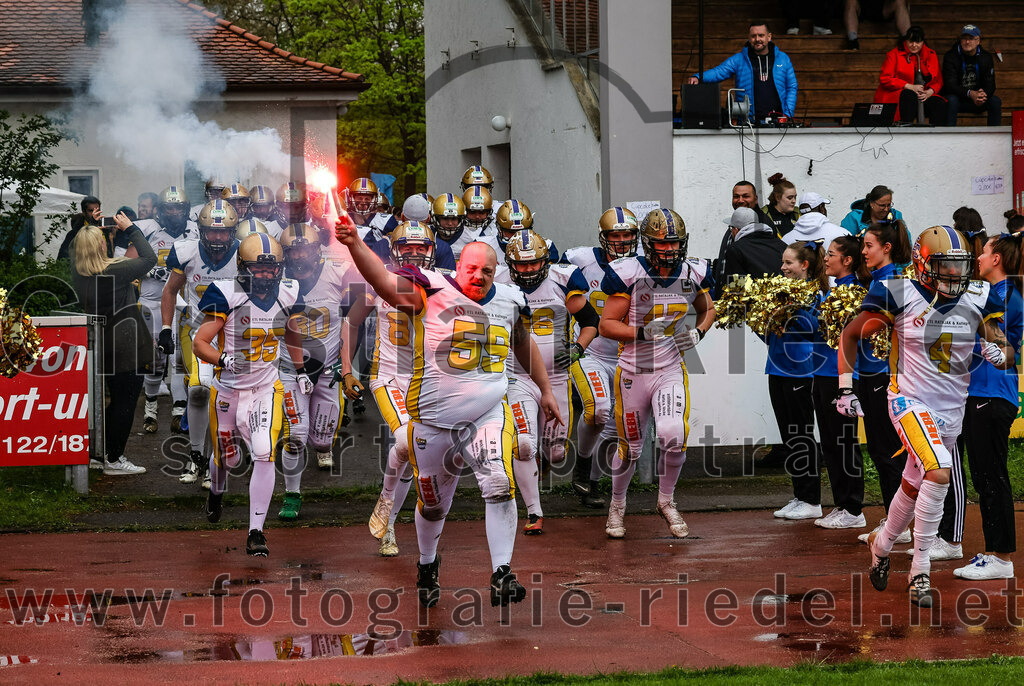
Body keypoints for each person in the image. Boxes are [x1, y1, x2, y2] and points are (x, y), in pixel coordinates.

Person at [336, 215, 562, 609]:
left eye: (487, 271)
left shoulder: (509, 301)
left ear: (497, 273)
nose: (480, 276)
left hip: (488, 412)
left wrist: (545, 389)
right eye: (472, 268)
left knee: (497, 482)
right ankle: (427, 562)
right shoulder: (430, 289)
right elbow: (382, 283)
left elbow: (523, 345)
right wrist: (356, 243)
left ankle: (502, 572)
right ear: (457, 267)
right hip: (433, 421)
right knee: (435, 503)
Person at [838, 225, 1014, 607]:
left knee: (915, 482)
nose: (954, 274)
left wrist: (999, 351)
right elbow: (851, 334)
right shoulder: (898, 292)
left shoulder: (979, 295)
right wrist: (845, 386)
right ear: (923, 265)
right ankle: (920, 569)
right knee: (938, 472)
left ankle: (881, 543)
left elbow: (1004, 344)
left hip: (952, 408)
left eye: (959, 265)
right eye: (945, 266)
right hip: (908, 400)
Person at [600, 209, 715, 539]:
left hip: (669, 368)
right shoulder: (628, 272)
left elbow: (709, 308)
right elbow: (606, 325)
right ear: (648, 244)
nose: (670, 250)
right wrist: (639, 333)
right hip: (633, 372)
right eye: (662, 244)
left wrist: (699, 332)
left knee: (672, 434)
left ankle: (666, 501)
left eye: (675, 243)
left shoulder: (693, 269)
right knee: (631, 448)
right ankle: (617, 505)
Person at [194, 233, 306, 558]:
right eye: (258, 268)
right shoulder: (226, 293)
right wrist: (223, 359)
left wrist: (300, 371)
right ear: (243, 267)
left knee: (263, 451)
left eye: (271, 270)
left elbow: (293, 333)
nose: (265, 275)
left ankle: (255, 531)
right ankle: (216, 491)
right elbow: (201, 342)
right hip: (229, 389)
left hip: (265, 387)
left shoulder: (289, 292)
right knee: (225, 458)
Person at [504, 229, 599, 535]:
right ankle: (534, 511)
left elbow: (591, 322)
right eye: (522, 265)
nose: (529, 270)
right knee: (524, 443)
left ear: (545, 261)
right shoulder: (500, 284)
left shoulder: (562, 280)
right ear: (510, 263)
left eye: (534, 264)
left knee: (556, 453)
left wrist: (578, 348)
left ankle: (536, 467)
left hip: (556, 377)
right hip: (517, 376)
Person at [359, 222, 443, 557]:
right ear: (395, 249)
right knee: (405, 441)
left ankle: (389, 520)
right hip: (389, 374)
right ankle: (388, 505)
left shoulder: (442, 281)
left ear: (431, 249)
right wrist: (348, 368)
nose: (415, 253)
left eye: (422, 247)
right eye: (408, 247)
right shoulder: (382, 279)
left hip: (426, 378)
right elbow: (352, 320)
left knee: (418, 452)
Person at [276, 222, 366, 521]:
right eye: (294, 250)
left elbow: (365, 294)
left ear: (317, 250)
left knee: (323, 440)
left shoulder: (337, 273)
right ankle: (292, 494)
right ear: (284, 254)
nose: (300, 256)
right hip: (290, 369)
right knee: (296, 436)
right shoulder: (275, 278)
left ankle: (322, 445)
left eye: (305, 249)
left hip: (328, 370)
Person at [952, 232, 1022, 580]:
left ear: (997, 259)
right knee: (985, 475)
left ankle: (1002, 558)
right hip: (983, 394)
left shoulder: (1003, 294)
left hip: (992, 396)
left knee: (991, 476)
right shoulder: (993, 293)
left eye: (984, 252)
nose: (977, 257)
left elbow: (1003, 344)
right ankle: (996, 554)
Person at [561, 207, 640, 509]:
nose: (621, 241)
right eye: (615, 235)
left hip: (625, 354)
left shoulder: (641, 265)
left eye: (627, 235)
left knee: (611, 426)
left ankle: (590, 482)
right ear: (603, 238)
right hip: (590, 351)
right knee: (597, 410)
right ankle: (582, 464)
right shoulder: (580, 260)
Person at [160, 200, 241, 488]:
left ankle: (218, 461)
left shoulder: (244, 253)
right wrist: (167, 328)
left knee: (229, 402)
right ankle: (196, 454)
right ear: (200, 230)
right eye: (211, 232)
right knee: (197, 391)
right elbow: (170, 290)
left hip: (236, 336)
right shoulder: (186, 252)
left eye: (223, 233)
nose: (218, 238)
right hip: (200, 332)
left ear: (233, 232)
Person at [71, 212, 155, 475]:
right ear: (101, 246)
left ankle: (99, 453)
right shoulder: (115, 270)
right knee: (125, 402)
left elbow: (79, 242)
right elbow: (149, 258)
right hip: (125, 346)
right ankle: (114, 459)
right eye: (103, 238)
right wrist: (131, 229)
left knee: (114, 401)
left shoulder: (79, 273)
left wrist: (90, 224)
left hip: (101, 344)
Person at [855, 221, 913, 544]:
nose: (863, 251)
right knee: (882, 449)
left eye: (869, 246)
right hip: (872, 373)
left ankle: (899, 523)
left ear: (886, 248)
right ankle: (897, 519)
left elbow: (867, 331)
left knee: (887, 449)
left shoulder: (889, 283)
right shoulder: (882, 281)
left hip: (880, 375)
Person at [766, 242, 823, 521]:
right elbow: (771, 331)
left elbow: (813, 329)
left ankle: (812, 499)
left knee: (801, 434)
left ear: (805, 265)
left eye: (789, 263)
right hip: (776, 368)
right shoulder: (780, 290)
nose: (783, 267)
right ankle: (801, 494)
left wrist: (790, 308)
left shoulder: (816, 293)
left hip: (801, 371)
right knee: (789, 436)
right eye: (783, 262)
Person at [815, 237, 868, 528]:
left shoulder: (855, 293)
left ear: (847, 260)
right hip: (822, 374)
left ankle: (854, 507)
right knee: (832, 444)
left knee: (845, 442)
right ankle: (842, 504)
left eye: (831, 254)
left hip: (844, 378)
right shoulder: (830, 291)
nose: (826, 259)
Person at [134, 186, 195, 434]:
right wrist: (147, 269)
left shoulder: (196, 233)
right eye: (169, 207)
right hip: (152, 303)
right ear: (160, 210)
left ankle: (179, 411)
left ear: (186, 209)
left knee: (180, 360)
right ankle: (150, 409)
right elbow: (129, 262)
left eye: (178, 207)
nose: (174, 212)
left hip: (183, 303)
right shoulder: (148, 230)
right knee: (155, 360)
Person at [687, 22, 798, 122]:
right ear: (749, 38)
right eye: (753, 36)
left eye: (761, 35)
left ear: (769, 37)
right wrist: (698, 77)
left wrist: (787, 115)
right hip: (748, 122)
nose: (757, 39)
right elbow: (719, 72)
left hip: (777, 122)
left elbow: (792, 87)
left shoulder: (783, 58)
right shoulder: (739, 59)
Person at [874, 26, 946, 126]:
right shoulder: (893, 54)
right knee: (909, 95)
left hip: (923, 96)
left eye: (918, 42)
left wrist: (930, 92)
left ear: (922, 42)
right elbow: (885, 79)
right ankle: (906, 133)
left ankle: (936, 137)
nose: (914, 45)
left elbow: (938, 81)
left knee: (939, 103)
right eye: (911, 41)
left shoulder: (931, 54)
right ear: (905, 40)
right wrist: (909, 86)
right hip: (900, 97)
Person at [942, 25, 1001, 127]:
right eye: (964, 38)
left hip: (978, 100)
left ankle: (994, 138)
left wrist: (982, 95)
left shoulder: (986, 57)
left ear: (978, 41)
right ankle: (949, 137)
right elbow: (950, 85)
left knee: (995, 101)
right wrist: (970, 93)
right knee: (951, 100)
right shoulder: (951, 56)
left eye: (971, 38)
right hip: (959, 99)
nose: (967, 42)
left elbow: (991, 84)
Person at [714, 181, 764, 296]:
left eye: (746, 196)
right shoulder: (734, 222)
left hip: (745, 301)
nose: (740, 200)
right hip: (728, 297)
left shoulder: (763, 226)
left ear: (756, 199)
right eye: (736, 196)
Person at [722, 206, 787, 281]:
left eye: (731, 228)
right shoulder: (782, 245)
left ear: (736, 230)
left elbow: (734, 287)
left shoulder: (735, 250)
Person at [844, 0, 910, 51]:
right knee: (850, 1)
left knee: (900, 1)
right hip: (862, 8)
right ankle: (852, 41)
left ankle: (908, 39)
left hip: (883, 8)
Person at [840, 185, 904, 236]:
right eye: (882, 205)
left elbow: (906, 242)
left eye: (889, 205)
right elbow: (845, 244)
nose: (886, 209)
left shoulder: (896, 216)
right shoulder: (854, 218)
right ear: (871, 203)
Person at [58, 196, 103, 261]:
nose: (95, 213)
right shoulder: (74, 233)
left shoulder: (105, 229)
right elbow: (63, 258)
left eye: (97, 210)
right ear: (84, 212)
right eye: (91, 211)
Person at [761, 173, 799, 238]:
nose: (794, 201)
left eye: (795, 197)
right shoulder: (764, 214)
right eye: (790, 198)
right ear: (778, 197)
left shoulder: (798, 212)